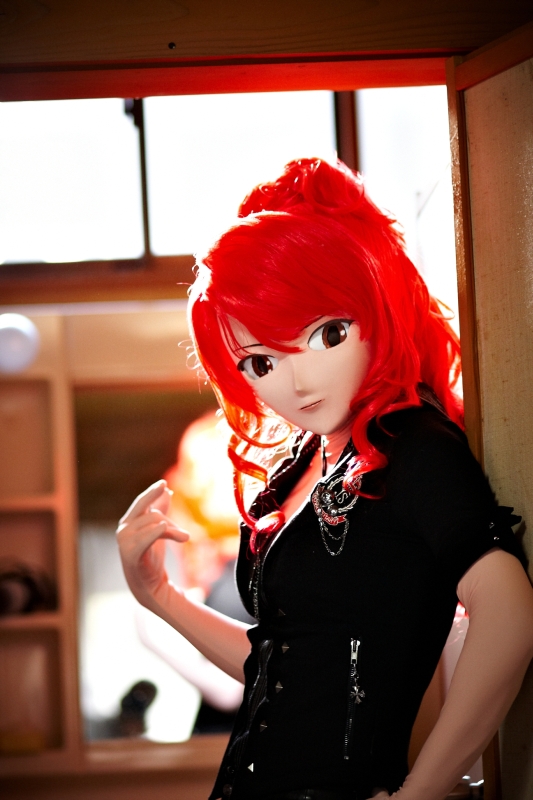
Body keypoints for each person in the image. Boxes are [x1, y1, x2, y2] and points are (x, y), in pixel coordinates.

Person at [117, 158, 533, 800]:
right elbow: (278, 667)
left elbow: (508, 613)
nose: (298, 381)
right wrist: (161, 598)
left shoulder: (413, 445)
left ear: (376, 304)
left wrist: (421, 793)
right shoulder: (304, 460)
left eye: (328, 334)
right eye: (260, 363)